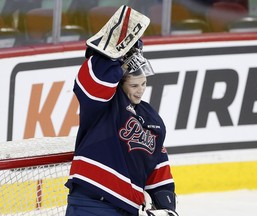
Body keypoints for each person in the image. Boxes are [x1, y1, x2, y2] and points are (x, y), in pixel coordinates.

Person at [65, 5, 178, 216]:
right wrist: (112, 56)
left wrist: (167, 206)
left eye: (143, 84)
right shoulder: (104, 106)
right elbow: (92, 84)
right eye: (134, 86)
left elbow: (158, 167)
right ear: (120, 83)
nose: (140, 90)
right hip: (90, 204)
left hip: (128, 208)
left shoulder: (152, 119)